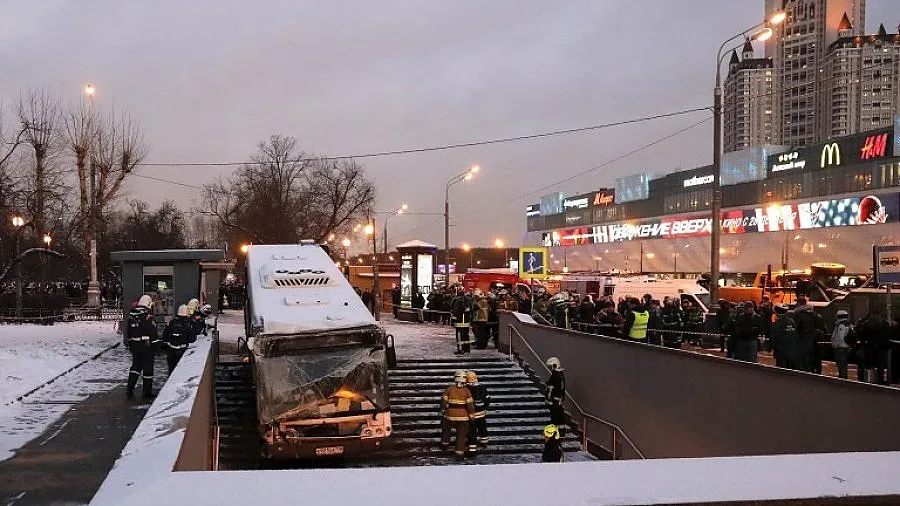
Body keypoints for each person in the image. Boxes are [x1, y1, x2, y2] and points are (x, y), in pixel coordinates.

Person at [125, 295, 160, 399]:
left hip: (135, 346)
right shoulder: (149, 317)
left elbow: (129, 331)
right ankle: (146, 392)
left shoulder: (132, 315)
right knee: (148, 369)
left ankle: (129, 388)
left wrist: (130, 343)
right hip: (147, 347)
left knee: (135, 367)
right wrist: (157, 347)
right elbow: (153, 333)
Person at [440, 370, 475, 459]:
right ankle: (459, 452)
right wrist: (471, 415)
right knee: (461, 435)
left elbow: (443, 401)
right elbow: (470, 405)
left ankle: (444, 444)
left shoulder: (449, 389)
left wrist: (443, 410)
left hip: (450, 416)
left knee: (446, 430)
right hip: (463, 418)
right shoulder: (467, 391)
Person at [857, 305, 890, 384]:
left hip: (869, 346)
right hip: (881, 347)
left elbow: (860, 332)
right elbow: (887, 334)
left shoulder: (866, 322)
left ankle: (868, 379)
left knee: (868, 364)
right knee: (880, 365)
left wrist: (863, 341)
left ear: (872, 313)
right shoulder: (884, 322)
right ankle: (880, 380)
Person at [793, 296, 826, 373]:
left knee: (805, 359)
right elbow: (822, 327)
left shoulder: (799, 315)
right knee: (814, 358)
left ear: (798, 303)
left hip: (803, 341)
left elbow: (796, 328)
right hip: (815, 341)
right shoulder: (815, 314)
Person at [162, 304, 197, 374]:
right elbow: (192, 339)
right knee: (180, 372)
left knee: (171, 371)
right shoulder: (187, 324)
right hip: (182, 352)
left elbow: (164, 336)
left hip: (170, 351)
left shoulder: (171, 323)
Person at [770, 304, 801, 370]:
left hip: (781, 352)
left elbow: (774, 337)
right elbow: (796, 336)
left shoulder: (777, 323)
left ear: (776, 313)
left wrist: (771, 347)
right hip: (792, 351)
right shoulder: (792, 322)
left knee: (781, 372)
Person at [465, 370, 490, 452]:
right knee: (482, 427)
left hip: (471, 414)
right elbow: (487, 398)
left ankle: (472, 446)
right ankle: (484, 441)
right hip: (481, 413)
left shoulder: (466, 389)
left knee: (472, 430)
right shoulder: (482, 387)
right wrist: (485, 408)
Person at [831, 310, 856, 380]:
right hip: (847, 346)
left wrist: (836, 345)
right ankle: (843, 376)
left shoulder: (841, 325)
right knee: (844, 363)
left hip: (841, 347)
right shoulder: (849, 324)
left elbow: (840, 337)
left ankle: (843, 377)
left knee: (841, 364)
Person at [545, 357, 566, 435]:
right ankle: (561, 437)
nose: (551, 369)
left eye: (551, 366)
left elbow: (550, 388)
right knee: (560, 421)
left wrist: (548, 400)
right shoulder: (561, 375)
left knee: (555, 420)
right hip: (560, 401)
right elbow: (562, 388)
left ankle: (555, 437)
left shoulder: (555, 375)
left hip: (554, 401)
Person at [450, 288, 473, 354]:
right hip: (461, 320)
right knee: (461, 335)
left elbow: (466, 309)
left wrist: (453, 320)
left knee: (463, 335)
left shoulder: (462, 299)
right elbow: (453, 310)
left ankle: (464, 349)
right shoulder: (458, 299)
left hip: (462, 320)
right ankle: (462, 348)